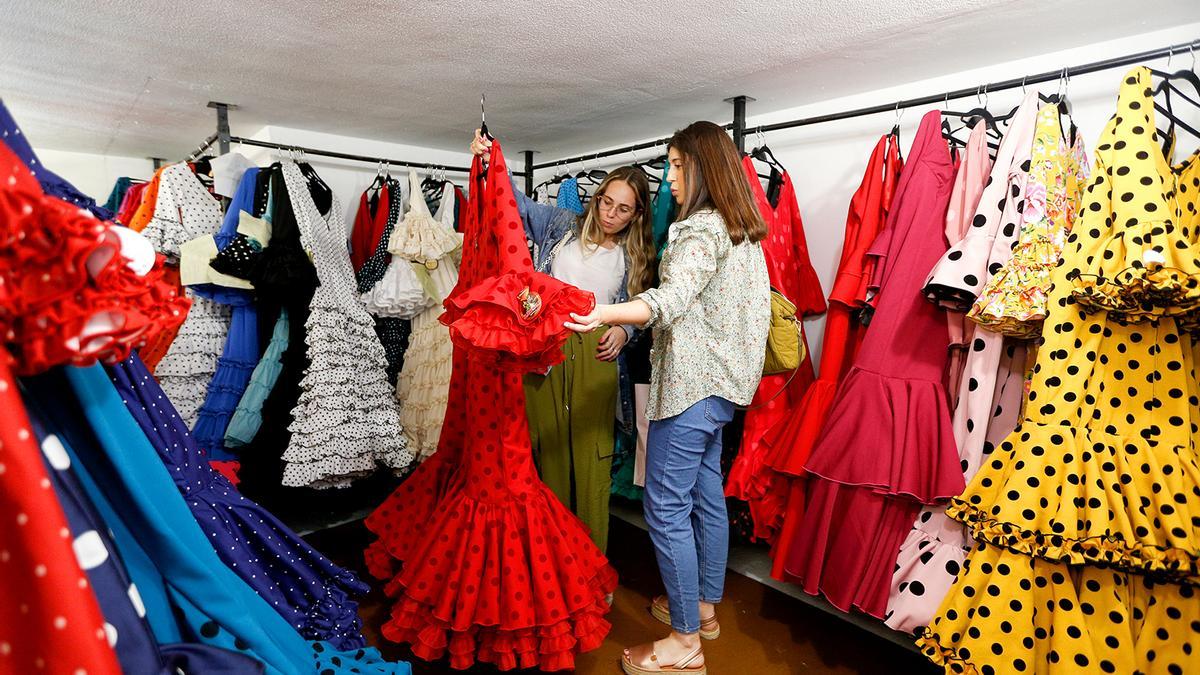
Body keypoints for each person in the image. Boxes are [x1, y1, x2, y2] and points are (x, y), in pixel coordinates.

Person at [566, 120, 770, 675]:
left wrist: (605, 312)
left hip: (691, 390)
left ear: (702, 167)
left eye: (677, 166)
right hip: (722, 393)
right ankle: (703, 609)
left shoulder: (701, 228)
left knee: (665, 508)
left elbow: (671, 298)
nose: (670, 178)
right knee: (705, 497)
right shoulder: (741, 229)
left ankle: (683, 644)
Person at [470, 130, 656, 553]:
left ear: (636, 214)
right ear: (597, 197)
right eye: (607, 201)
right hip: (545, 350)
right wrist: (489, 159)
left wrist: (624, 330)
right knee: (545, 450)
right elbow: (511, 203)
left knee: (592, 458)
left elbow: (646, 308)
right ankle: (550, 562)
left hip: (596, 354)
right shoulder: (560, 225)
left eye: (623, 208)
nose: (610, 213)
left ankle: (590, 568)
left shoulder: (637, 254)